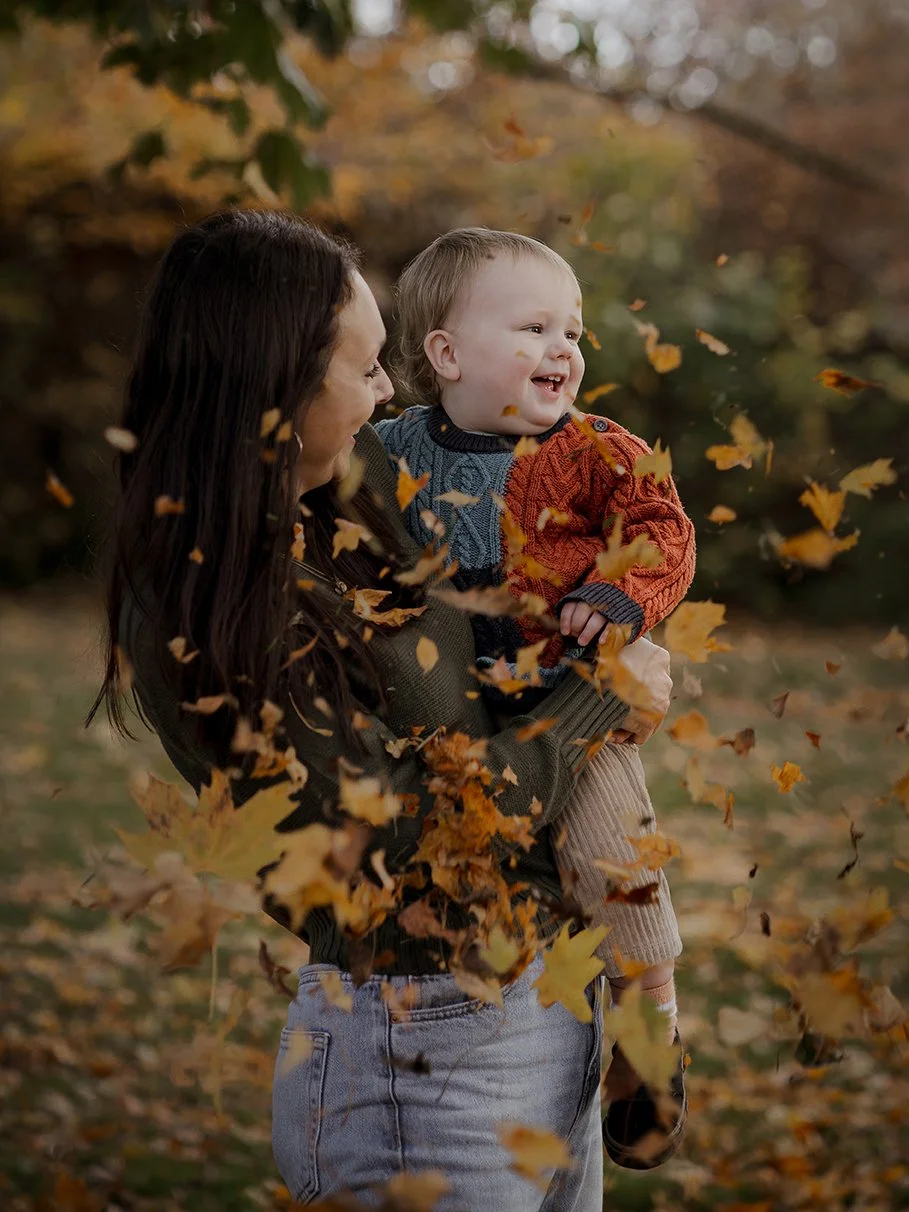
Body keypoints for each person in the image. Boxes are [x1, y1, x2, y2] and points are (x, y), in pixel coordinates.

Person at [89, 208, 673, 1210]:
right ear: (275, 385)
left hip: (547, 996)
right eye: (364, 370)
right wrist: (596, 697)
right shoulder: (219, 604)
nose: (390, 392)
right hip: (422, 1059)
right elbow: (410, 839)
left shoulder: (349, 502)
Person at [377, 227, 695, 1168]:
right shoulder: (389, 448)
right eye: (534, 327)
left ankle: (649, 1022)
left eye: (574, 329)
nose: (566, 348)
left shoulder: (594, 448)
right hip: (454, 713)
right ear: (446, 353)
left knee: (612, 861)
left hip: (572, 702)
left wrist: (621, 597)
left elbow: (663, 528)